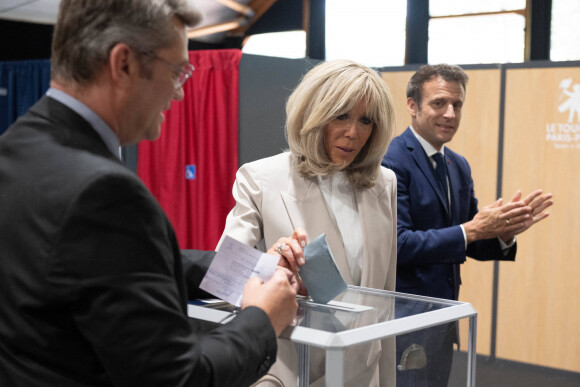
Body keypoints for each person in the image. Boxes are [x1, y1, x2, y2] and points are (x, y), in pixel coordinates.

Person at [0, 1, 299, 386]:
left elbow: (110, 267)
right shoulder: (105, 193)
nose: (178, 94)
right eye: (176, 71)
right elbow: (179, 378)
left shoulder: (15, 147)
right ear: (123, 64)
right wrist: (262, 317)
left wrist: (250, 269)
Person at [218, 59, 398, 386]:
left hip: (362, 373)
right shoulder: (261, 178)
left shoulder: (384, 183)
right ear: (313, 113)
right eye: (341, 115)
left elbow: (385, 293)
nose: (353, 132)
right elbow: (224, 279)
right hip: (292, 372)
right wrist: (270, 263)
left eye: (366, 120)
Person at [382, 63, 553, 386]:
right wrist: (473, 230)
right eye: (439, 103)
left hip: (443, 322)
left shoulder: (457, 165)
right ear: (412, 105)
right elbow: (399, 245)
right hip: (404, 322)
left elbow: (469, 239)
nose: (450, 113)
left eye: (457, 105)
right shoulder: (391, 161)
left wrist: (503, 232)